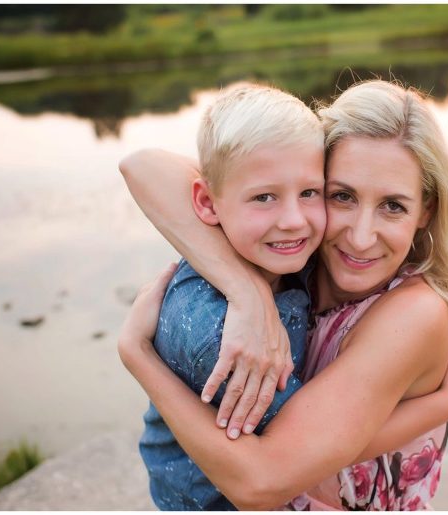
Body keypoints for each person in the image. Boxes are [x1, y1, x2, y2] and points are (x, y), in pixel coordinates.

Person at [119, 80, 448, 510]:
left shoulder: (415, 312)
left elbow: (263, 481)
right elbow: (142, 165)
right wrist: (248, 293)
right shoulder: (299, 253)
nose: (362, 237)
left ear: (426, 209)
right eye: (342, 196)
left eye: (393, 206)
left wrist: (138, 357)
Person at [125, 83, 327, 510]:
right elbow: (300, 451)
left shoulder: (271, 251)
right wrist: (440, 403)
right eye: (264, 197)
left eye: (310, 192)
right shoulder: (215, 336)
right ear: (206, 203)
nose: (294, 220)